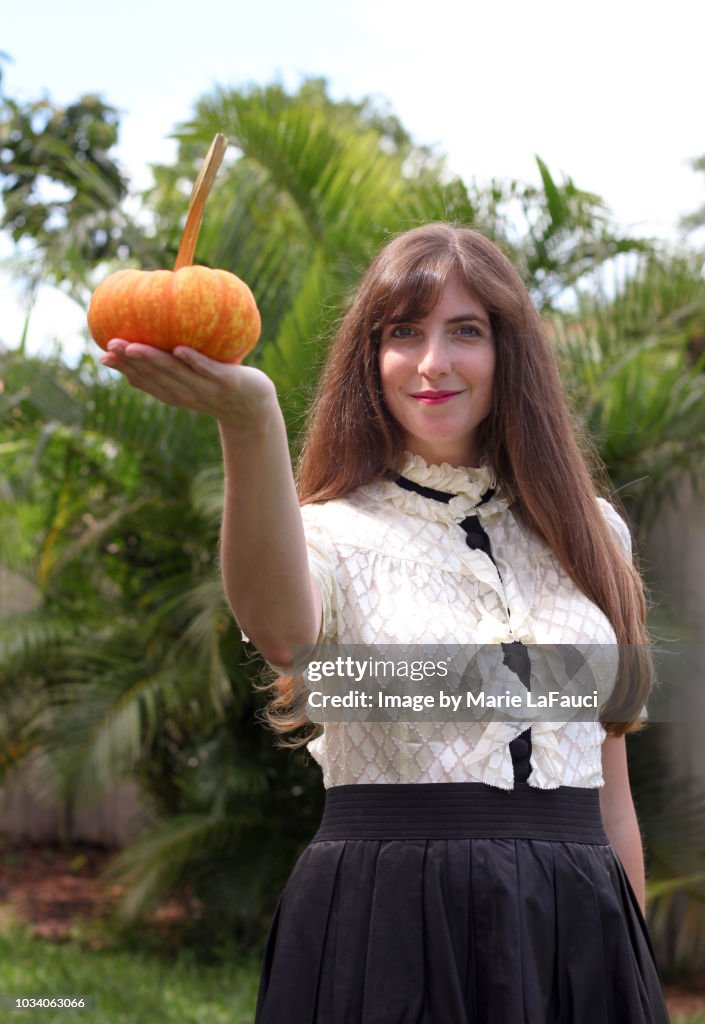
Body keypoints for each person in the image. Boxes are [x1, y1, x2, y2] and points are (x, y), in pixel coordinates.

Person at [101, 223, 670, 1023]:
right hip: (388, 924)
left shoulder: (594, 532)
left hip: (576, 930)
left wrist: (630, 966)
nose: (432, 362)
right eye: (403, 332)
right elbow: (281, 634)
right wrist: (249, 419)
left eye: (464, 331)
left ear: (508, 352)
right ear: (370, 358)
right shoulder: (331, 532)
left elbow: (609, 784)